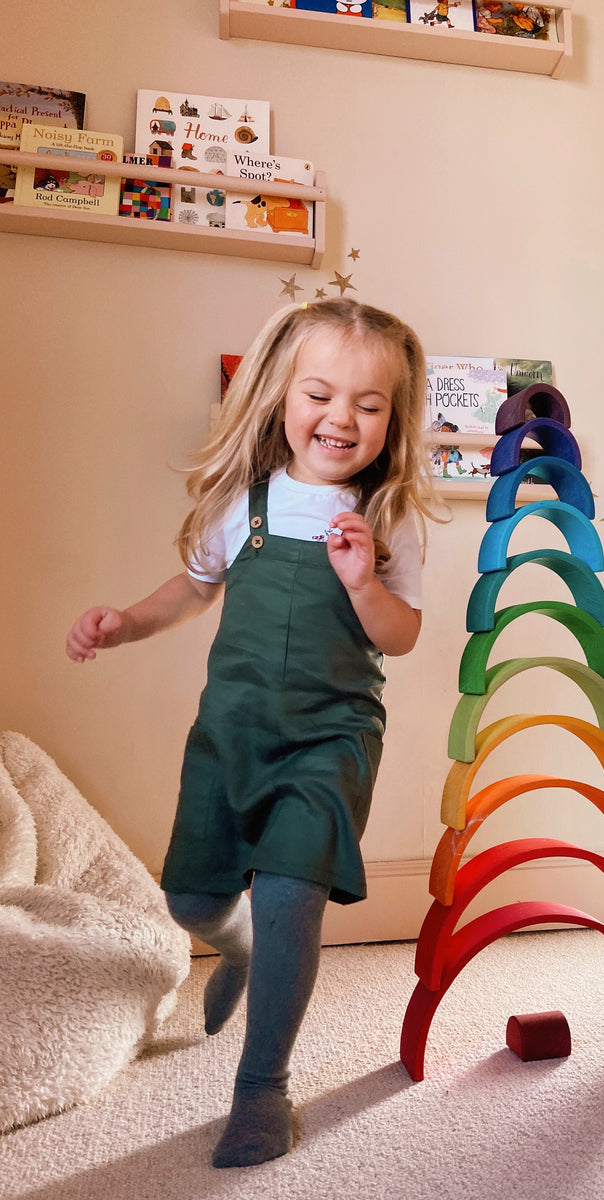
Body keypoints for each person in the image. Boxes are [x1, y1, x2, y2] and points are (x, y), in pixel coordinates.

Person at [65, 299, 443, 1168]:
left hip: (333, 736)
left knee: (289, 896)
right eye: (320, 394)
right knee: (191, 900)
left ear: (395, 417)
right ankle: (227, 943)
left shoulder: (387, 517)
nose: (342, 419)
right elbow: (192, 587)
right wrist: (124, 622)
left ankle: (261, 1090)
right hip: (231, 731)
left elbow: (402, 635)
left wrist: (361, 581)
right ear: (281, 397)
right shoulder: (247, 500)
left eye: (370, 405)